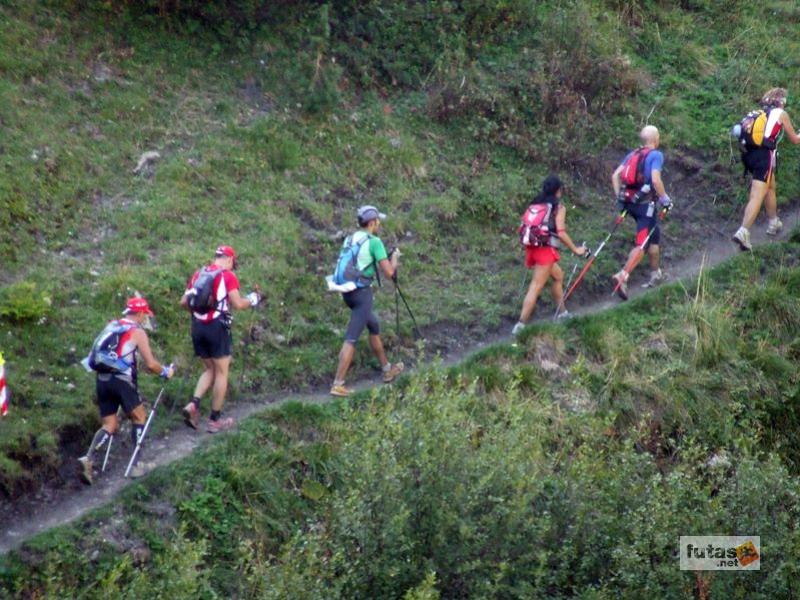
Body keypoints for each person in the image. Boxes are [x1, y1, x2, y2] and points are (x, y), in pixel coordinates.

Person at [78, 297, 175, 484]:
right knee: (139, 416)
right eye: (145, 315)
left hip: (102, 379)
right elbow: (151, 364)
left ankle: (88, 459)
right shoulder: (137, 332)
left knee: (110, 425)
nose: (145, 318)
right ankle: (137, 465)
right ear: (139, 313)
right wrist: (165, 371)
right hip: (122, 381)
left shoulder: (112, 325)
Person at [181, 246, 260, 433]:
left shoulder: (199, 274)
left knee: (210, 368)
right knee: (222, 372)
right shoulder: (228, 276)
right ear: (230, 260)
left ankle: (193, 404)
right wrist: (253, 298)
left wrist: (198, 315)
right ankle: (214, 419)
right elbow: (238, 304)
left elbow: (184, 302)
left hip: (197, 327)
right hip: (217, 327)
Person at [330, 205, 405, 397]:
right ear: (372, 223)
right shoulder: (374, 242)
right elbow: (389, 273)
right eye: (377, 220)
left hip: (348, 292)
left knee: (373, 325)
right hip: (362, 294)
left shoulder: (351, 238)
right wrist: (394, 258)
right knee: (351, 337)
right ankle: (338, 384)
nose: (379, 223)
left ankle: (386, 368)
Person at [512, 176, 587, 335]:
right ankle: (520, 326)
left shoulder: (535, 204)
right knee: (536, 285)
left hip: (532, 247)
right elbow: (560, 233)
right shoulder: (558, 208)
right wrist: (576, 249)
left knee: (558, 276)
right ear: (558, 191)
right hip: (545, 250)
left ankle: (562, 313)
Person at [733, 88, 800, 250]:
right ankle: (743, 231)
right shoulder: (780, 114)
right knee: (757, 195)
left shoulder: (757, 113)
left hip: (748, 155)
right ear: (781, 102)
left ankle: (773, 222)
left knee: (770, 187)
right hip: (764, 156)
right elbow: (795, 140)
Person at [611, 125, 673, 299]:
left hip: (629, 203)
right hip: (645, 206)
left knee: (654, 237)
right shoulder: (656, 155)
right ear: (655, 139)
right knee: (643, 243)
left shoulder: (633, 154)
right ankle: (623, 275)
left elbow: (615, 176)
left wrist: (620, 199)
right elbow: (655, 179)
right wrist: (665, 200)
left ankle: (656, 274)